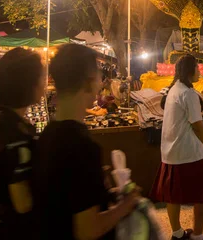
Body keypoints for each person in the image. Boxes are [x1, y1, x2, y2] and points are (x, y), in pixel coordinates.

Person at [33, 44, 141, 240]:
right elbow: (88, 230)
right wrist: (127, 204)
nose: (100, 82)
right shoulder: (81, 146)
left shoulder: (47, 135)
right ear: (88, 82)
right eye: (99, 75)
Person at [150, 54, 203, 240]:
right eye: (197, 67)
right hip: (189, 152)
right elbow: (198, 124)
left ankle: (177, 233)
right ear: (189, 70)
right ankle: (198, 235)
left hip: (171, 151)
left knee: (174, 196)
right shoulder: (188, 94)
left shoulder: (174, 90)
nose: (200, 71)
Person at [0, 48, 46, 240]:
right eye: (42, 78)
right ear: (28, 83)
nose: (45, 85)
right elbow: (23, 203)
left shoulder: (1, 123)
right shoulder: (15, 135)